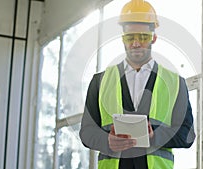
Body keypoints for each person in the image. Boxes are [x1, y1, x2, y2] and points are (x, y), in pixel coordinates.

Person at [79, 0, 195, 168]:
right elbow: (87, 132)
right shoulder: (99, 82)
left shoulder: (175, 83)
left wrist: (155, 137)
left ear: (154, 38)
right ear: (122, 39)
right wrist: (107, 141)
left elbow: (188, 134)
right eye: (130, 37)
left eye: (143, 37)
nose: (135, 43)